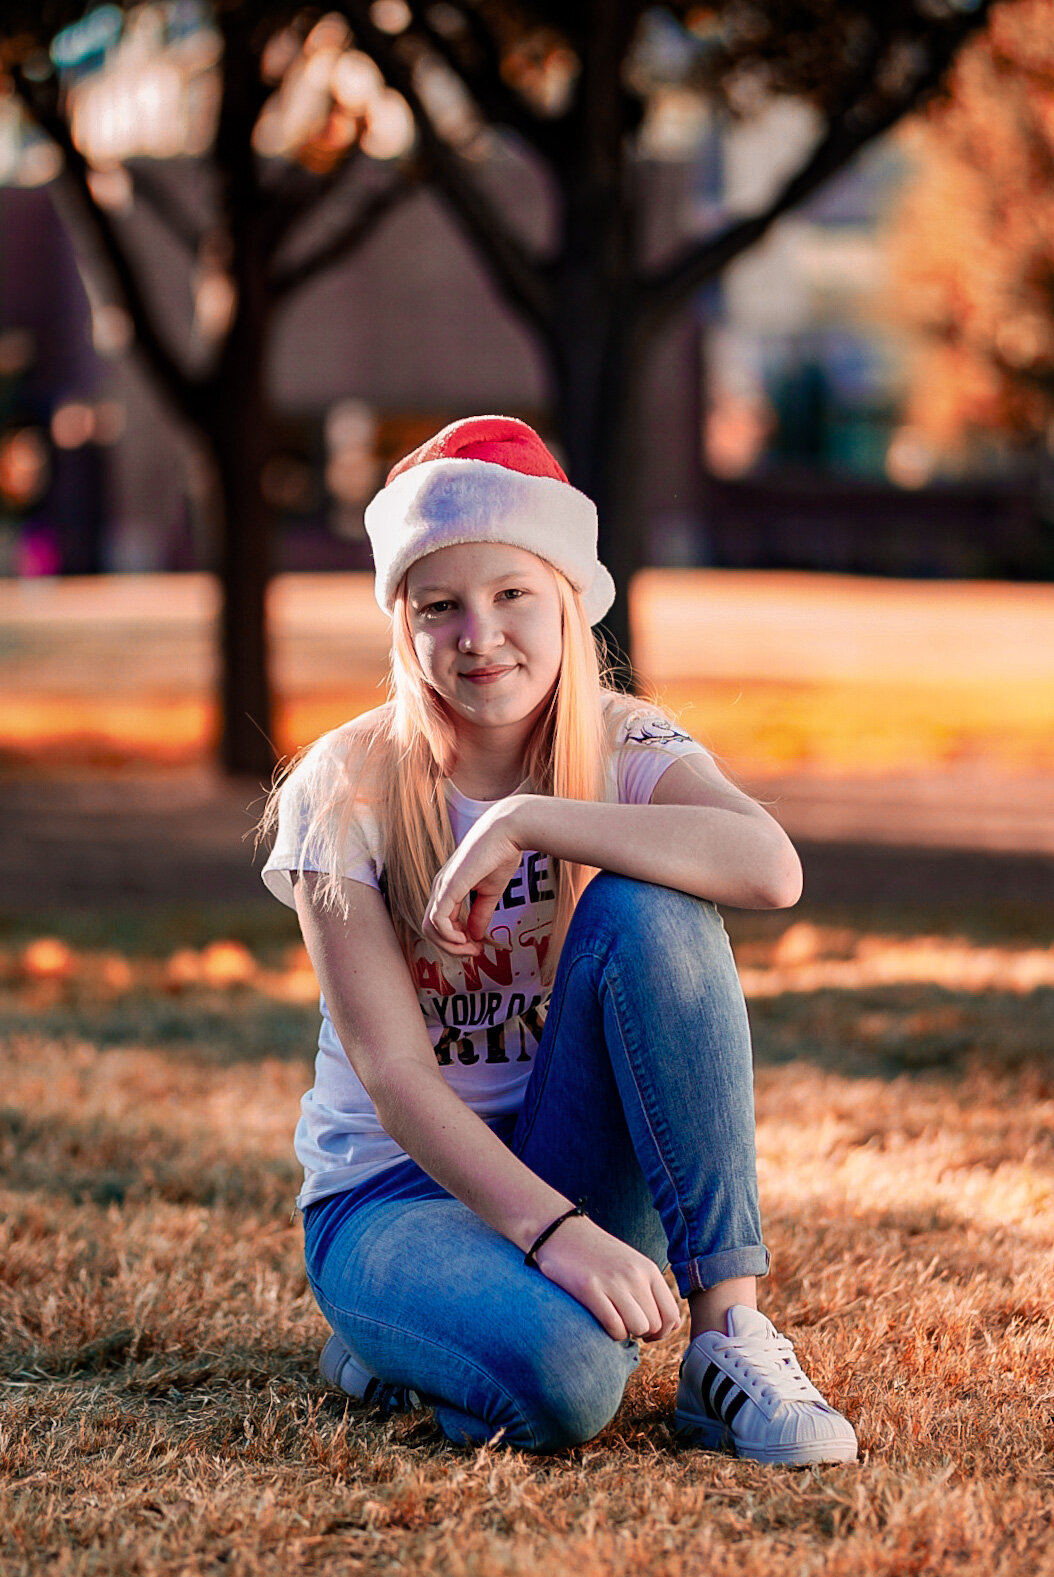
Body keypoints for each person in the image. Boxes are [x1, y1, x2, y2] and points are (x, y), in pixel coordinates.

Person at [260, 415, 857, 1464]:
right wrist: (556, 1233)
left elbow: (770, 867)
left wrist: (531, 820)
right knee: (572, 1382)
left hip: (575, 1152)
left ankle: (728, 1339)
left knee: (656, 901)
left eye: (512, 594)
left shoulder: (625, 741)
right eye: (439, 606)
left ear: (569, 602)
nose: (478, 634)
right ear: (402, 624)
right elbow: (395, 1075)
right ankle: (414, 1337)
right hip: (397, 1194)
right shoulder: (344, 785)